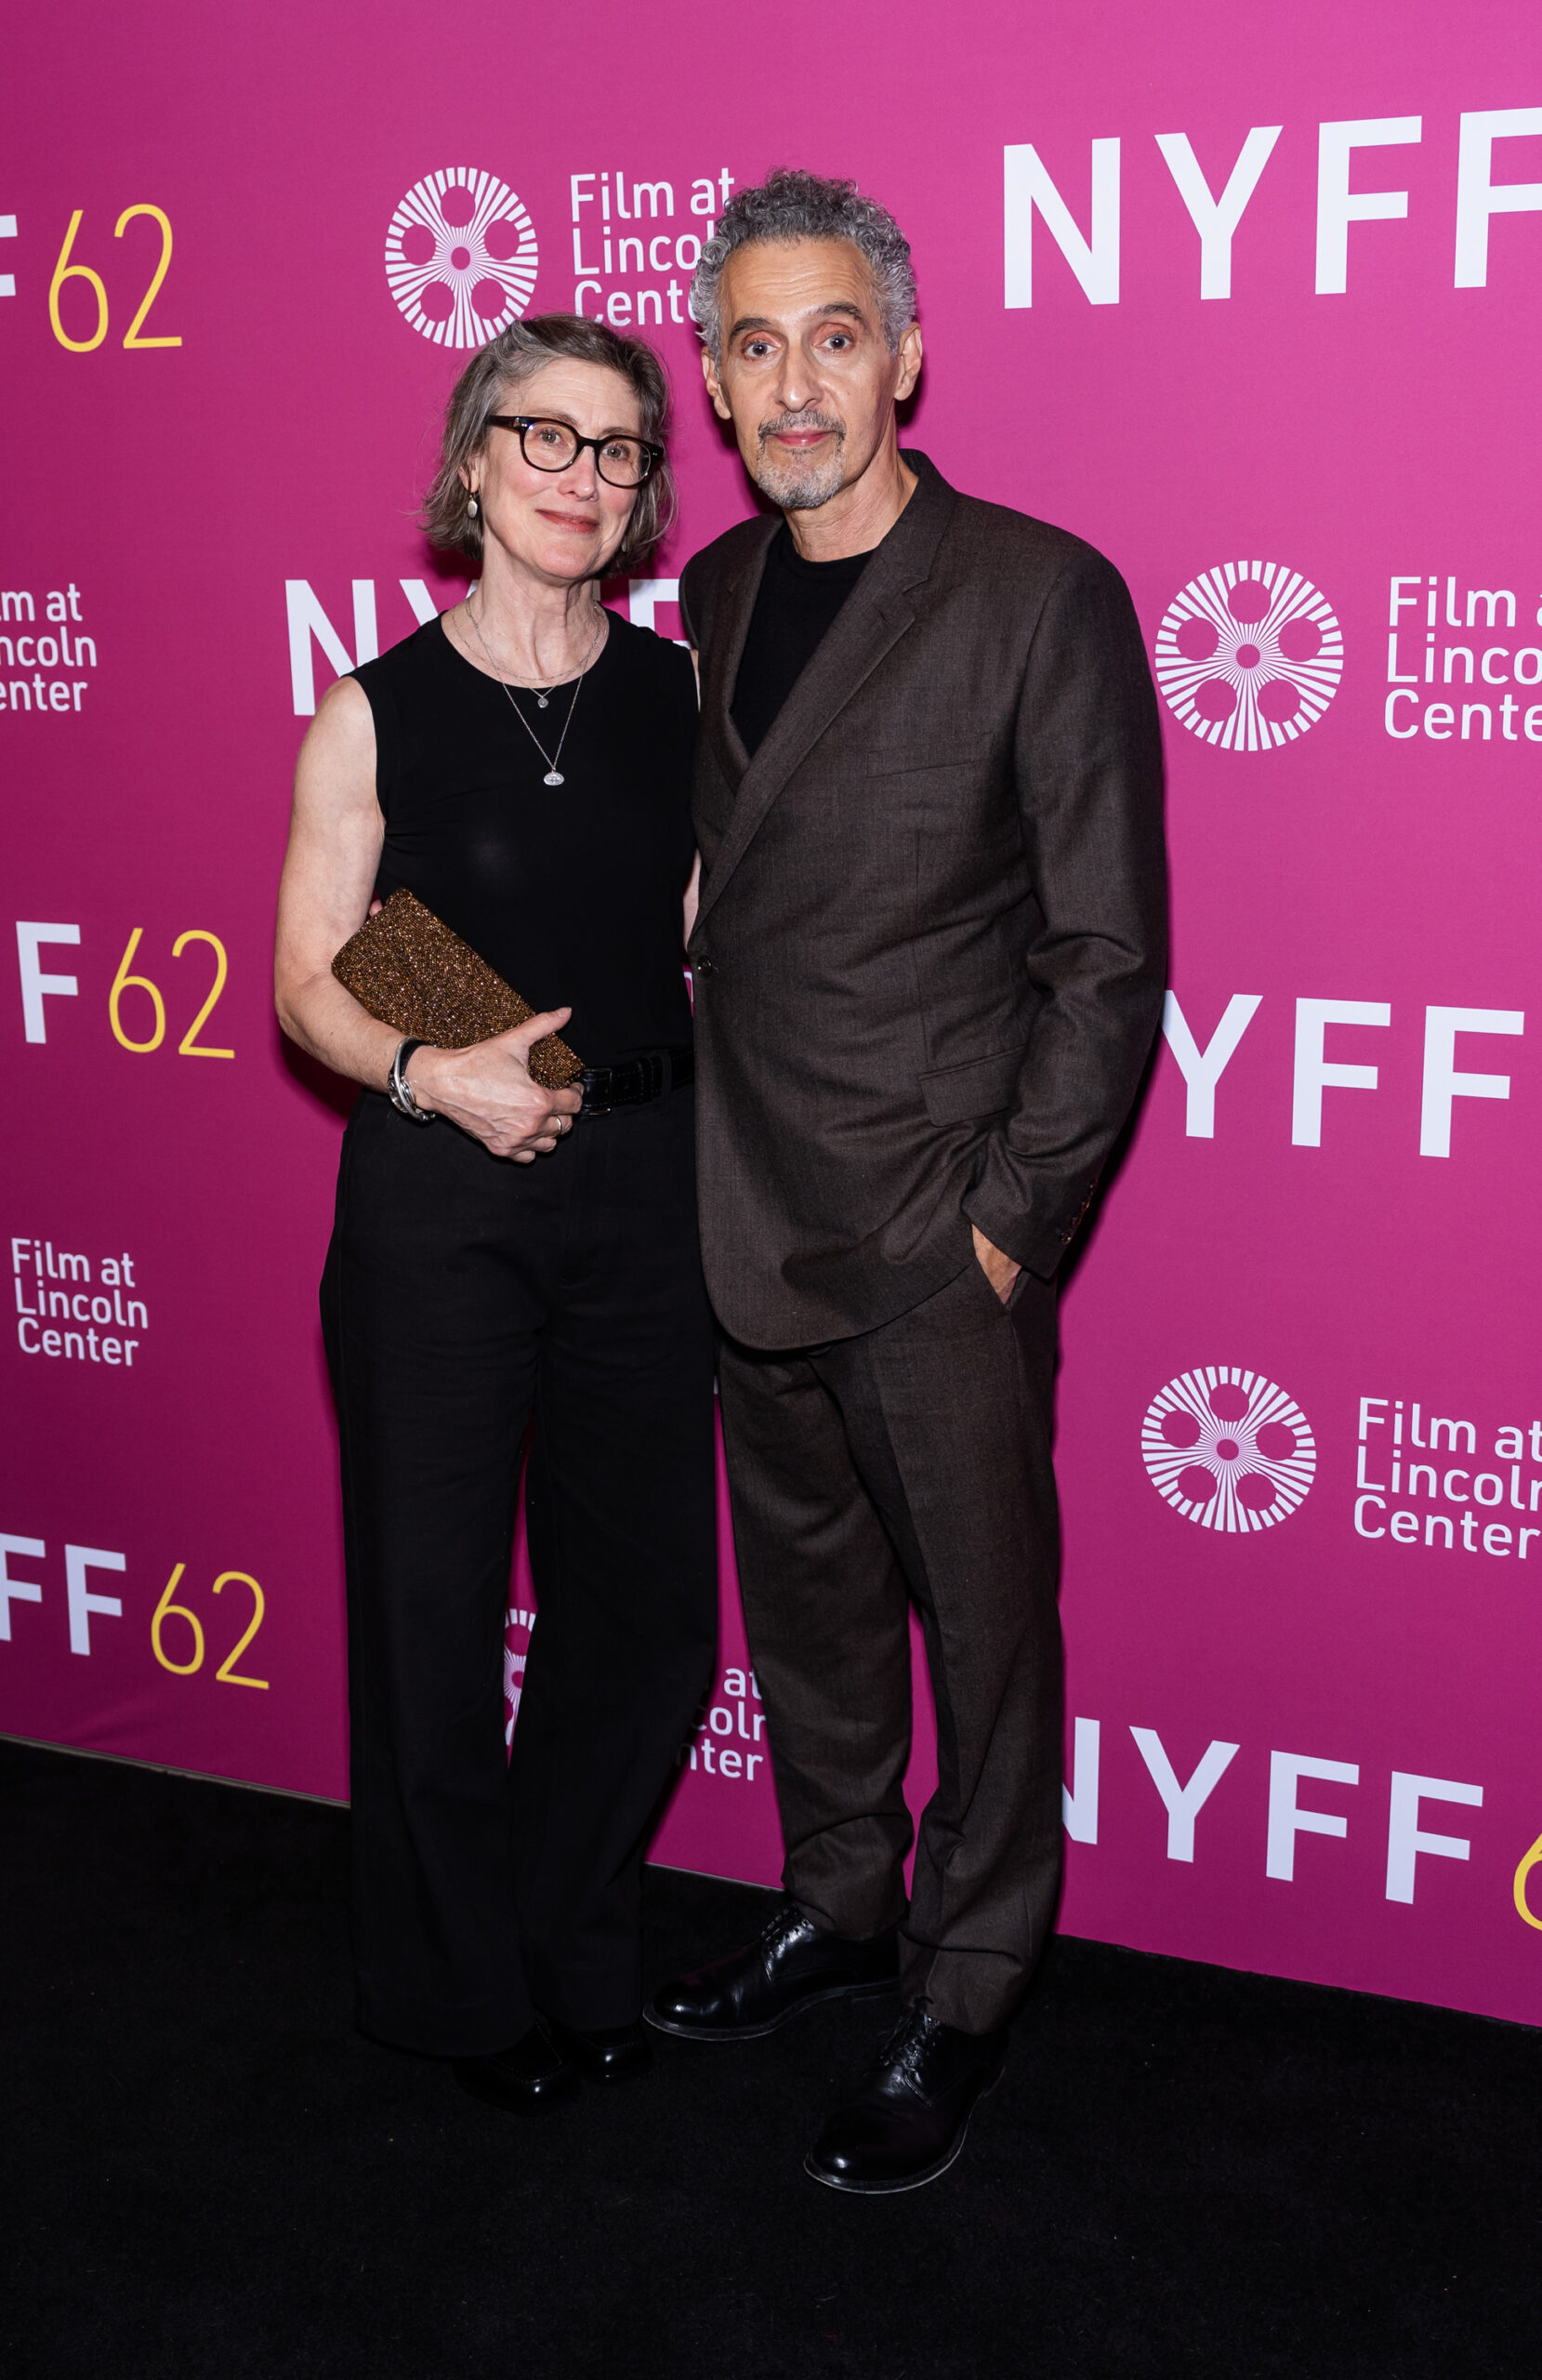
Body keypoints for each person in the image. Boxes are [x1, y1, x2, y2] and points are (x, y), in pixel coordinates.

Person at [647, 172, 1167, 2192]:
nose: (796, 384)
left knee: (986, 1630)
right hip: (743, 1205)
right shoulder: (709, 591)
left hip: (935, 1230)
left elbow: (1102, 954)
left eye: (835, 336)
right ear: (713, 381)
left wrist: (1007, 1223)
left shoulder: (1039, 592)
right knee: (809, 1611)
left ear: (906, 358)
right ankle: (839, 1897)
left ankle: (969, 1977)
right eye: (755, 345)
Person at [274, 314, 716, 2114]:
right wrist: (429, 1073)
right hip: (436, 1195)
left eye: (616, 449)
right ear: (473, 459)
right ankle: (453, 1990)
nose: (579, 475)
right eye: (544, 436)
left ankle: (572, 1941)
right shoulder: (373, 706)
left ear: (644, 493)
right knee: (431, 1612)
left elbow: (703, 928)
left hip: (648, 1181)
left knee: (647, 1613)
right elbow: (307, 977)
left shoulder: (681, 697)